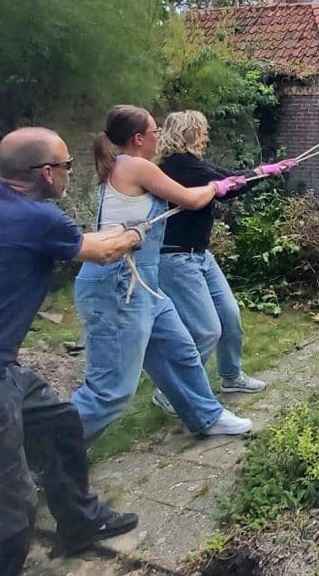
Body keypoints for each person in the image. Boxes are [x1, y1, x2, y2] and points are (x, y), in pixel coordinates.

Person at [0, 127, 142, 576]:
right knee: (13, 513)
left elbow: (79, 244)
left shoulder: (9, 208)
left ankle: (79, 520)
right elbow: (99, 251)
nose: (69, 174)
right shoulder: (40, 217)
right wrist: (132, 235)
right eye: (65, 167)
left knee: (59, 421)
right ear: (44, 175)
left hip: (8, 365)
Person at [71, 105, 253, 442]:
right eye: (154, 131)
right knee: (110, 392)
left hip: (145, 282)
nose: (158, 137)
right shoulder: (135, 165)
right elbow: (190, 199)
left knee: (181, 351)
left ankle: (207, 417)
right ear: (139, 139)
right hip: (118, 286)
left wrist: (223, 183)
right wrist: (218, 187)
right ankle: (40, 451)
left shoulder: (129, 165)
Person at [155, 111, 297, 409]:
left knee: (230, 317)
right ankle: (169, 390)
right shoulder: (178, 165)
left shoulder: (189, 164)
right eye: (202, 131)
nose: (206, 137)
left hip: (200, 255)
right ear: (190, 133)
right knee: (206, 330)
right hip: (175, 258)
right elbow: (227, 183)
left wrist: (261, 171)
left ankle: (231, 376)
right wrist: (264, 173)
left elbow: (225, 182)